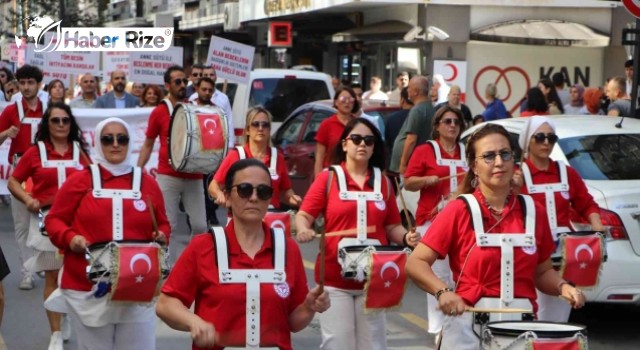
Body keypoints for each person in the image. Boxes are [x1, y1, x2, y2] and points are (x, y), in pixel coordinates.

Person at [405, 123, 586, 349]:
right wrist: (442, 292)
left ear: (514, 160)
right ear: (474, 165)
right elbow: (415, 262)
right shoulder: (458, 209)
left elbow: (542, 271)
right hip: (467, 328)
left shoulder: (533, 210)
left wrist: (563, 287)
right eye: (489, 156)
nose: (499, 162)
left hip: (522, 330)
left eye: (505, 154)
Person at [157, 158, 329, 349]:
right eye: (245, 189)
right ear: (228, 196)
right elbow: (165, 304)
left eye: (263, 192)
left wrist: (308, 307)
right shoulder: (203, 246)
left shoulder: (288, 248)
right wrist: (193, 321)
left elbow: (293, 323)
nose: (254, 198)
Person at [45, 117, 170, 350]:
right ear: (98, 143)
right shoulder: (79, 180)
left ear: (129, 142)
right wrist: (71, 239)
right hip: (88, 286)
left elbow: (163, 224)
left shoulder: (147, 182)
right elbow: (55, 220)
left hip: (137, 284)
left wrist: (161, 235)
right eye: (107, 139)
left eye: (122, 138)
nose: (115, 144)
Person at [297, 118, 419, 350]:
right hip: (334, 278)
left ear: (374, 148)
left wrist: (406, 238)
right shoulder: (328, 178)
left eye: (369, 140)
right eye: (356, 139)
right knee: (338, 344)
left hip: (374, 280)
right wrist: (304, 228)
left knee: (373, 345)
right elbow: (304, 215)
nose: (362, 144)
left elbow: (392, 226)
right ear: (344, 144)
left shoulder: (383, 182)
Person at [7, 102, 89, 349]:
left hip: (77, 224)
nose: (61, 125)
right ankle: (55, 332)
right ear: (47, 124)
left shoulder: (79, 151)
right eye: (56, 120)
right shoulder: (35, 152)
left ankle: (65, 316)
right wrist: (28, 198)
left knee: (74, 276)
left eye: (65, 120)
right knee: (53, 276)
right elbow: (13, 181)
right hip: (46, 223)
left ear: (71, 124)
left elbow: (95, 180)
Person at [514, 116, 603, 323]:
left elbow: (586, 202)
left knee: (558, 315)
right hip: (531, 252)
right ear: (528, 140)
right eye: (540, 137)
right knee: (532, 311)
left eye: (551, 138)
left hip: (564, 255)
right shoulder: (518, 175)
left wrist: (596, 223)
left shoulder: (566, 173)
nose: (546, 142)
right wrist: (514, 189)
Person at [403, 106, 467, 341]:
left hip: (463, 223)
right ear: (437, 126)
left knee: (460, 274)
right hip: (432, 222)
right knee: (437, 275)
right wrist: (425, 180)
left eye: (457, 122)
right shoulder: (424, 151)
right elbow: (408, 182)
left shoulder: (466, 151)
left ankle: (457, 327)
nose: (452, 125)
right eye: (447, 121)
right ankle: (439, 330)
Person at [138, 65, 208, 237]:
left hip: (194, 174)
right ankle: (165, 263)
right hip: (168, 175)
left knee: (200, 226)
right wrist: (138, 171)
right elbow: (148, 144)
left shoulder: (195, 109)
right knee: (167, 226)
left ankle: (191, 262)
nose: (183, 85)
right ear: (168, 86)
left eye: (185, 81)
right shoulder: (159, 112)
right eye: (178, 81)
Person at [0, 64, 47, 291]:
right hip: (20, 169)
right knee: (21, 224)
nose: (26, 87)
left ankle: (44, 264)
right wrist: (5, 134)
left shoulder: (48, 109)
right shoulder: (11, 110)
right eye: (23, 83)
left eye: (31, 83)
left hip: (43, 170)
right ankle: (27, 272)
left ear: (39, 84)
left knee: (44, 220)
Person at [210, 106, 301, 210]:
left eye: (265, 125)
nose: (260, 128)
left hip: (270, 217)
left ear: (269, 130)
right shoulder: (236, 155)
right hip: (241, 218)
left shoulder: (277, 157)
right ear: (248, 130)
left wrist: (293, 198)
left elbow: (286, 190)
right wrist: (219, 194)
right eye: (255, 124)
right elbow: (214, 185)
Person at [390, 75, 435, 175]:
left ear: (416, 92)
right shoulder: (429, 108)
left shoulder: (417, 110)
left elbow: (411, 139)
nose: (407, 90)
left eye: (409, 87)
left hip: (410, 164)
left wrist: (403, 164)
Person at [313, 87, 358, 177]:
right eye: (343, 99)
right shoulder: (327, 124)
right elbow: (319, 159)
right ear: (336, 102)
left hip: (353, 175)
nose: (347, 102)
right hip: (331, 174)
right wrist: (318, 180)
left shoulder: (358, 124)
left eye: (351, 99)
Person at [188, 65, 234, 148]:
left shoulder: (223, 99)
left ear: (216, 77)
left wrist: (230, 145)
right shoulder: (192, 99)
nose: (207, 93)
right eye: (206, 75)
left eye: (211, 75)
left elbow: (229, 122)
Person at [384, 87, 413, 168]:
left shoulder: (392, 119)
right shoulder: (425, 118)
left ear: (402, 100)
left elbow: (388, 143)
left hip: (394, 165)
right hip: (417, 166)